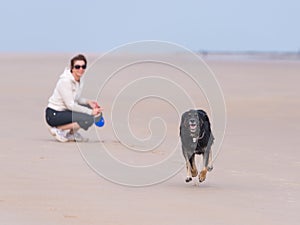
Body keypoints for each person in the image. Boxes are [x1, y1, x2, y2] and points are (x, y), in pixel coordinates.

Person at [45, 54, 102, 142]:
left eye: (83, 66)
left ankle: (71, 134)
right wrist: (90, 112)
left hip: (64, 111)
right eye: (77, 67)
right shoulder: (65, 81)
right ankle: (58, 130)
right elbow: (70, 105)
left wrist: (88, 102)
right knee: (89, 117)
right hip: (54, 114)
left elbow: (75, 98)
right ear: (72, 68)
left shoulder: (79, 80)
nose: (81, 69)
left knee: (93, 112)